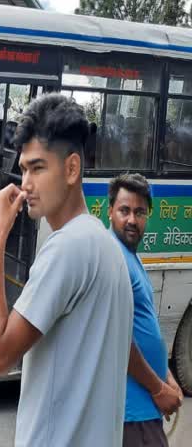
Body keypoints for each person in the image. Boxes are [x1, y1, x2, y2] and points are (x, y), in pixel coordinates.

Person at [0, 93, 133, 447]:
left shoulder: (67, 248)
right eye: (23, 169)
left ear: (71, 169)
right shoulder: (103, 242)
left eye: (38, 168)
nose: (26, 185)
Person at [107, 173, 184, 447]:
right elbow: (118, 339)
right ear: (110, 212)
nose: (132, 220)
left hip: (143, 410)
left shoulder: (129, 255)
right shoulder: (113, 259)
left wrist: (167, 375)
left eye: (140, 212)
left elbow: (142, 327)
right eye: (124, 210)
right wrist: (159, 388)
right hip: (131, 413)